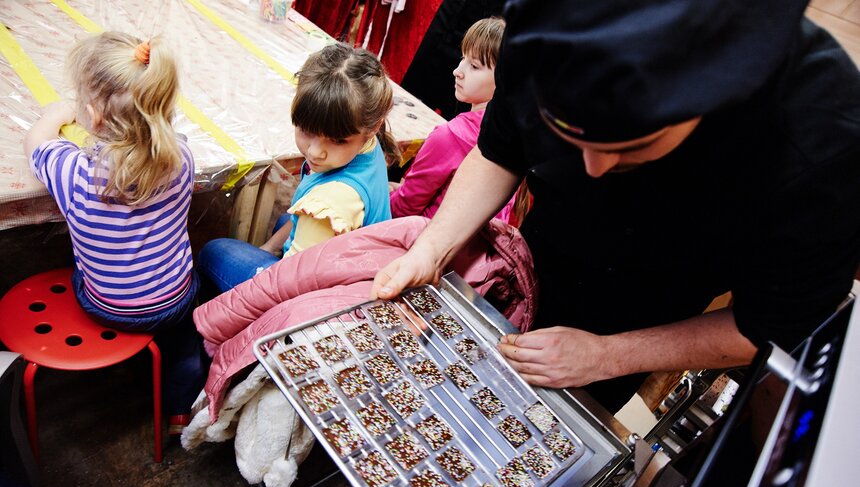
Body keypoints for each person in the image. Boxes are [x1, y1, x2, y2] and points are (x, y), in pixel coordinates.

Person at [371, 0, 860, 414]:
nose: (595, 169)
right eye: (568, 138)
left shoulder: (823, 148)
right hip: (528, 272)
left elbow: (763, 326)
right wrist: (432, 249)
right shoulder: (544, 25)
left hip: (638, 323)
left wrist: (606, 356)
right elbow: (499, 151)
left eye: (631, 147)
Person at [25, 32, 206, 436]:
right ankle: (179, 410)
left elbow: (37, 141)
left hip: (105, 305)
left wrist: (59, 113)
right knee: (184, 341)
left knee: (77, 262)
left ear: (94, 115)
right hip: (173, 300)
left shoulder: (74, 174)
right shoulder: (183, 160)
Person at [198, 43, 399, 293]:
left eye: (337, 140)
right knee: (286, 220)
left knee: (213, 252)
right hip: (344, 262)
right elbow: (299, 221)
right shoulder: (366, 140)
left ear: (372, 126)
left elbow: (288, 290)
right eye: (307, 131)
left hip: (314, 293)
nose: (315, 152)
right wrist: (270, 247)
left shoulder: (332, 202)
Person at [389, 16, 524, 226]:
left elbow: (403, 209)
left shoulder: (451, 136)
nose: (457, 71)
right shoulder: (516, 136)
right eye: (463, 58)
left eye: (474, 66)